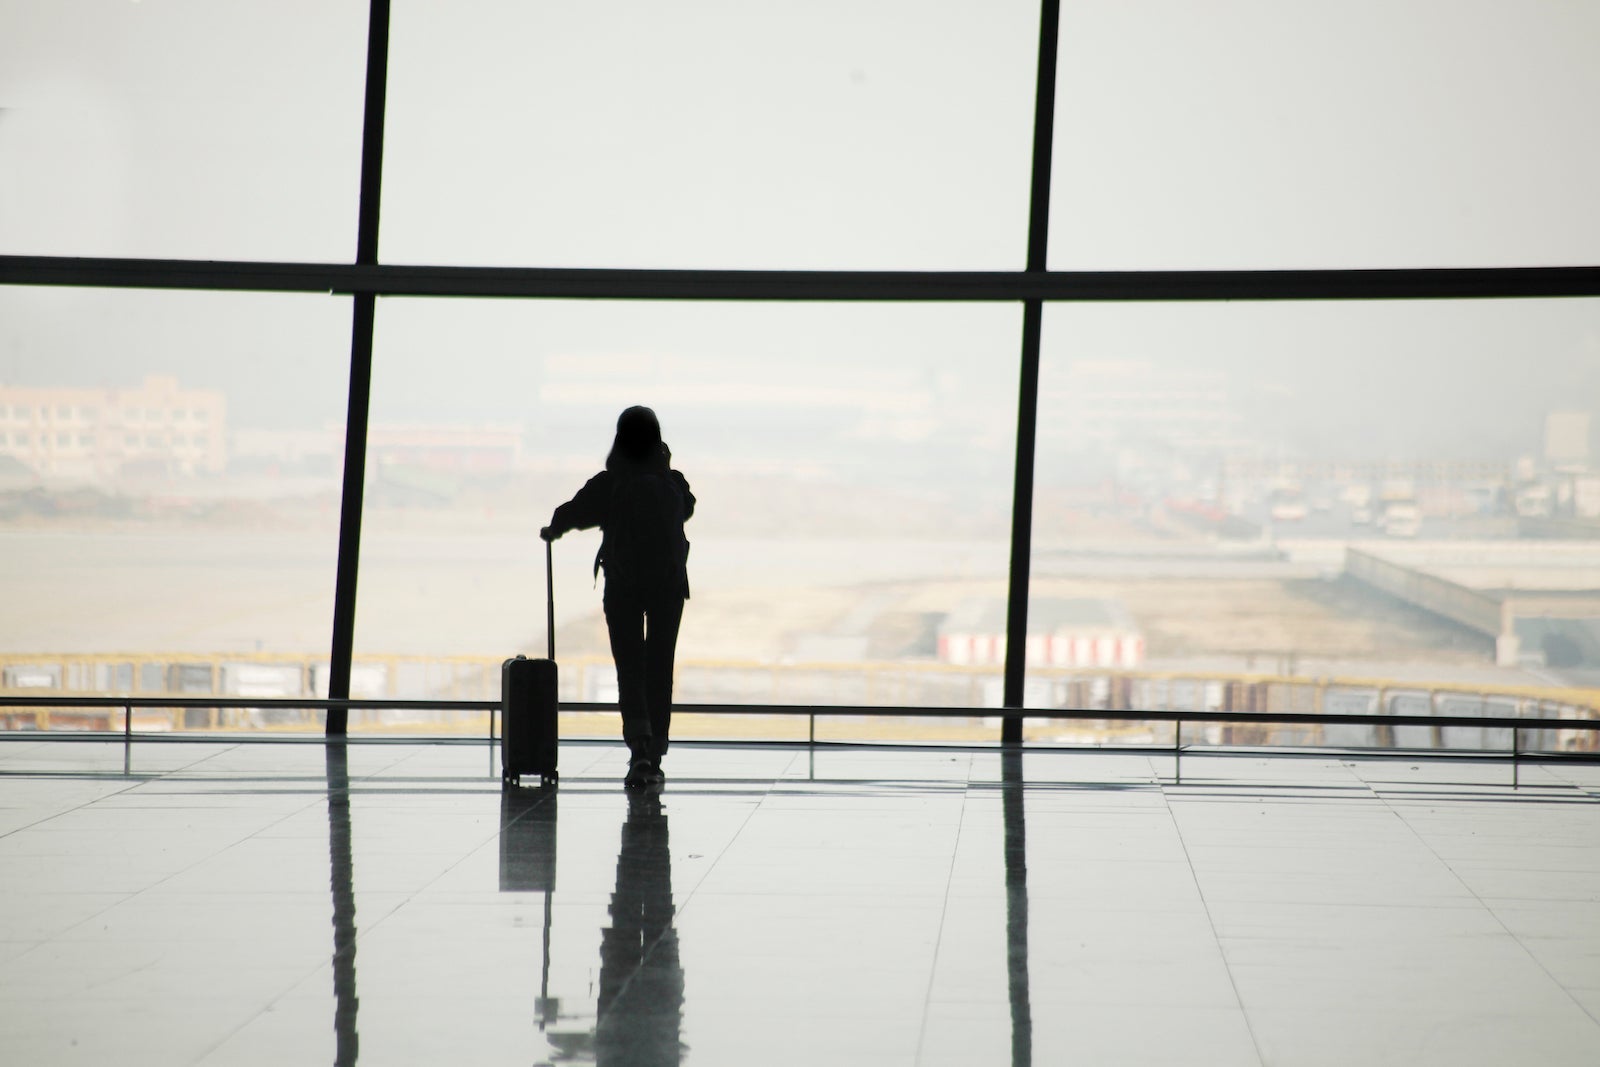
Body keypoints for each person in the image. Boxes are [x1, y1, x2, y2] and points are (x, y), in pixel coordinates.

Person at [541, 406, 693, 789]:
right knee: (660, 665)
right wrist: (665, 468)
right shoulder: (672, 481)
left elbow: (573, 512)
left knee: (630, 666)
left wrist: (553, 529)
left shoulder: (612, 482)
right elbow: (687, 509)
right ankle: (656, 750)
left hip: (622, 586)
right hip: (668, 587)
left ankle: (639, 748)